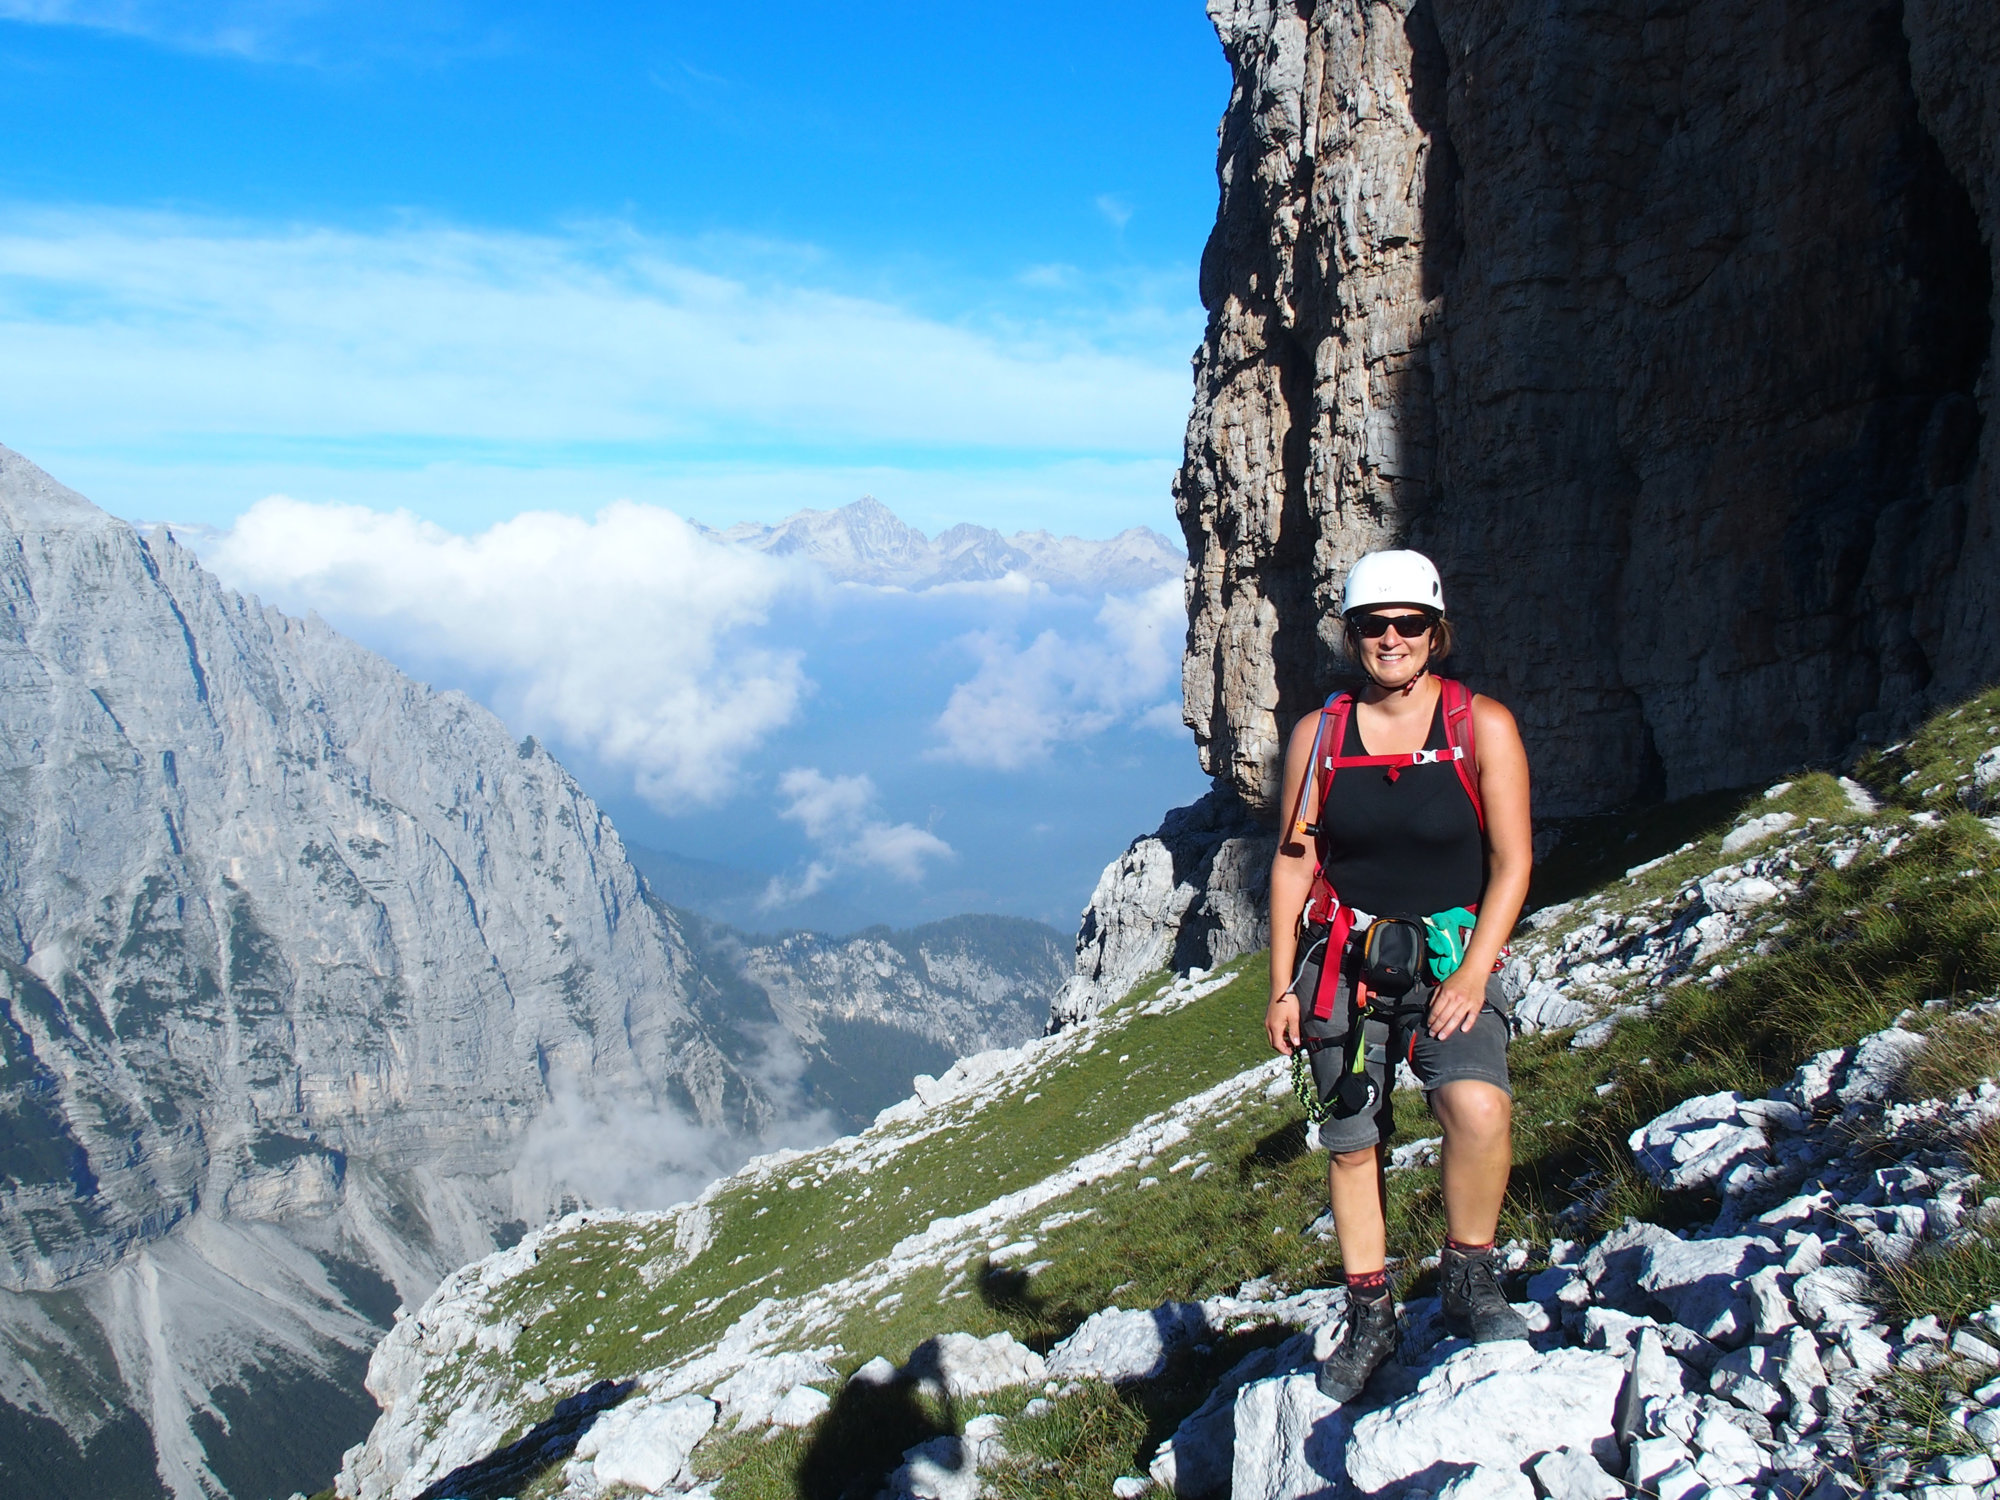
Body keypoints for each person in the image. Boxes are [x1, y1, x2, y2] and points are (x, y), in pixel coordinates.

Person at [1264, 549, 1534, 1402]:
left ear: (1435, 632)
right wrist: (1281, 985)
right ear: (1353, 635)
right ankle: (1371, 1311)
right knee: (1352, 1141)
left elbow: (1513, 859)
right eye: (1373, 625)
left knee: (1477, 1103)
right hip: (1343, 963)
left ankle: (1469, 1273)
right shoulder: (1320, 734)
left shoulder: (1480, 724)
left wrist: (1474, 974)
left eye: (1407, 624)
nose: (1391, 639)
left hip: (1454, 957)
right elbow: (1292, 862)